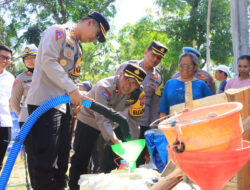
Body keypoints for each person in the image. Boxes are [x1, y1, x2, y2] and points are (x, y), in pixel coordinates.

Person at [25, 11, 110, 190]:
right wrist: (72, 90)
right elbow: (48, 62)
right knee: (45, 160)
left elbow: (74, 79)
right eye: (97, 35)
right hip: (44, 103)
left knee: (62, 159)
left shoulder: (78, 48)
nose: (94, 40)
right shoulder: (58, 32)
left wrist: (77, 95)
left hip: (63, 107)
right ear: (90, 23)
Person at [69, 63, 146, 190]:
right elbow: (101, 116)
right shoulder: (104, 87)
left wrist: (129, 140)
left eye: (133, 83)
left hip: (109, 124)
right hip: (88, 121)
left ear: (138, 86)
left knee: (104, 162)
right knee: (81, 159)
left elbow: (130, 118)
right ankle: (74, 187)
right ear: (121, 75)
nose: (128, 85)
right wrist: (114, 139)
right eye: (127, 79)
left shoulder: (136, 94)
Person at [160, 53, 212, 117]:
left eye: (189, 66)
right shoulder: (169, 84)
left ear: (195, 67)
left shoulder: (201, 85)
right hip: (173, 124)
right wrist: (161, 126)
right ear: (178, 65)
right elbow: (163, 110)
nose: (185, 68)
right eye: (182, 65)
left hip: (195, 124)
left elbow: (211, 107)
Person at [11, 44, 38, 127]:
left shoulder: (46, 74)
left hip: (46, 116)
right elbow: (15, 101)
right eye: (26, 58)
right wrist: (23, 113)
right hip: (27, 118)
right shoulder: (20, 78)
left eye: (33, 57)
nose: (30, 61)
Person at [0, 45, 15, 171]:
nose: (5, 60)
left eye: (8, 58)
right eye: (2, 57)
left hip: (5, 124)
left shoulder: (11, 78)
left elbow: (12, 101)